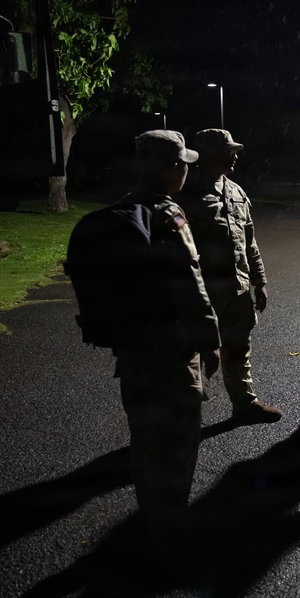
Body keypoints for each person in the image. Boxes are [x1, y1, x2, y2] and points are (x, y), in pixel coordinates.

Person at [113, 129, 222, 537]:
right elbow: (191, 283)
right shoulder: (168, 214)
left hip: (132, 349)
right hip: (172, 350)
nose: (185, 172)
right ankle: (171, 525)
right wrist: (210, 342)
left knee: (143, 435)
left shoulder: (123, 211)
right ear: (172, 169)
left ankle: (149, 515)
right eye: (183, 165)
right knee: (178, 438)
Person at [176, 128, 282, 424]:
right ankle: (186, 417)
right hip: (204, 293)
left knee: (239, 349)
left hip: (238, 289)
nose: (234, 157)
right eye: (228, 151)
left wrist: (260, 282)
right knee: (195, 354)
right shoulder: (187, 194)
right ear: (210, 155)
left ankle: (245, 404)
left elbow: (249, 242)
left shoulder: (236, 191)